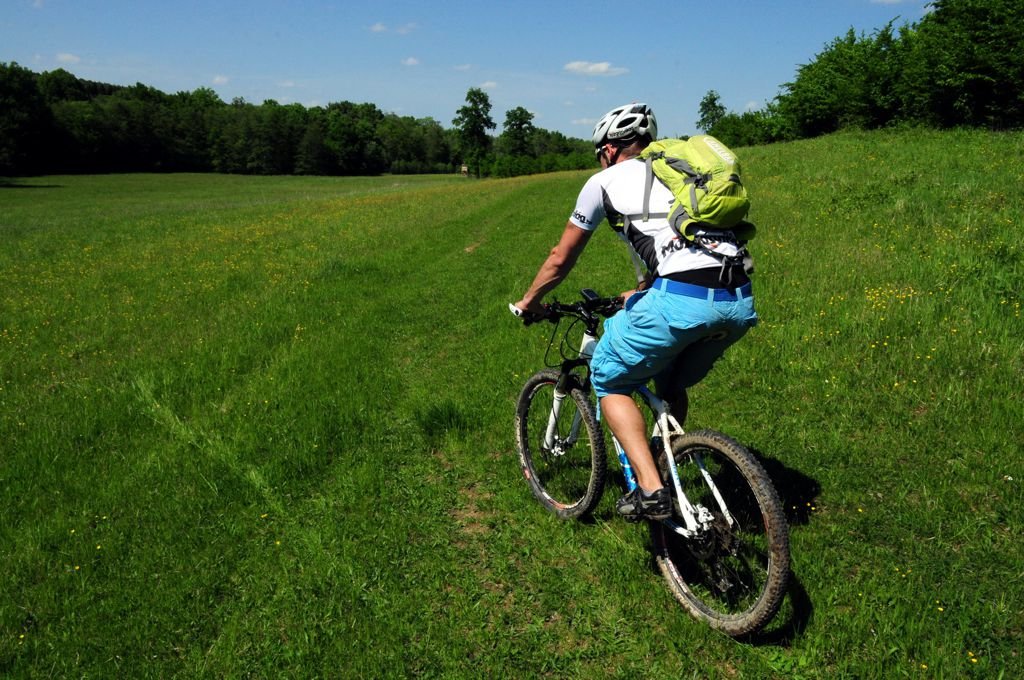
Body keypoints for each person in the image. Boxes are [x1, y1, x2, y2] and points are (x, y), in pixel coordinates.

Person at [512, 103, 758, 521]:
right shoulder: (676, 174)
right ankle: (666, 462)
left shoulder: (602, 181)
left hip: (681, 299)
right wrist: (643, 290)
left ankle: (651, 489)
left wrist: (529, 302)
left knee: (608, 376)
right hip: (737, 298)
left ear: (609, 149)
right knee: (669, 382)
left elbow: (560, 258)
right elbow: (680, 247)